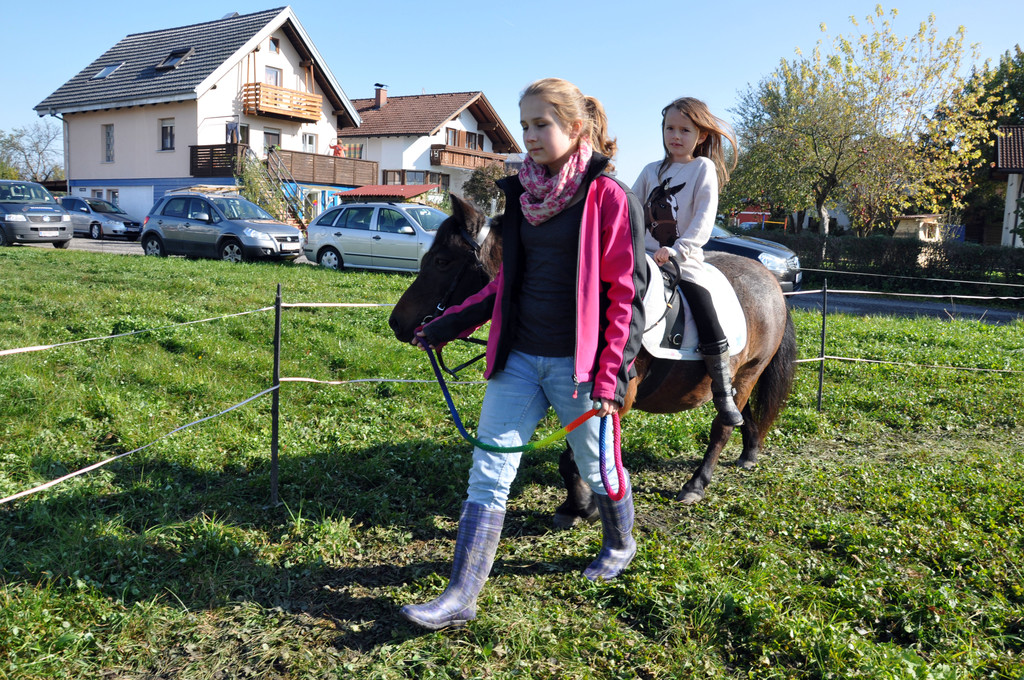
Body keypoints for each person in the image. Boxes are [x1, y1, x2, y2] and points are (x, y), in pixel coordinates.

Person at [401, 78, 648, 631]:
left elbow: (624, 296)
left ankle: (619, 542)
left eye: (542, 124)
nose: (530, 135)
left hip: (578, 367)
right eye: (525, 125)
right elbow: (504, 283)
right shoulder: (520, 196)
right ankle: (460, 596)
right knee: (489, 471)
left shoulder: (608, 196)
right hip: (517, 360)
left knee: (599, 466)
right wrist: (449, 324)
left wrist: (611, 378)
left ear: (575, 128)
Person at [632, 97, 743, 427]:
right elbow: (632, 209)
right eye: (670, 128)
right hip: (643, 258)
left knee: (704, 306)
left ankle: (722, 391)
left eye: (684, 130)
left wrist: (677, 250)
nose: (675, 136)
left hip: (683, 261)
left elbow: (704, 218)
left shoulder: (702, 168)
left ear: (701, 135)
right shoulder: (651, 171)